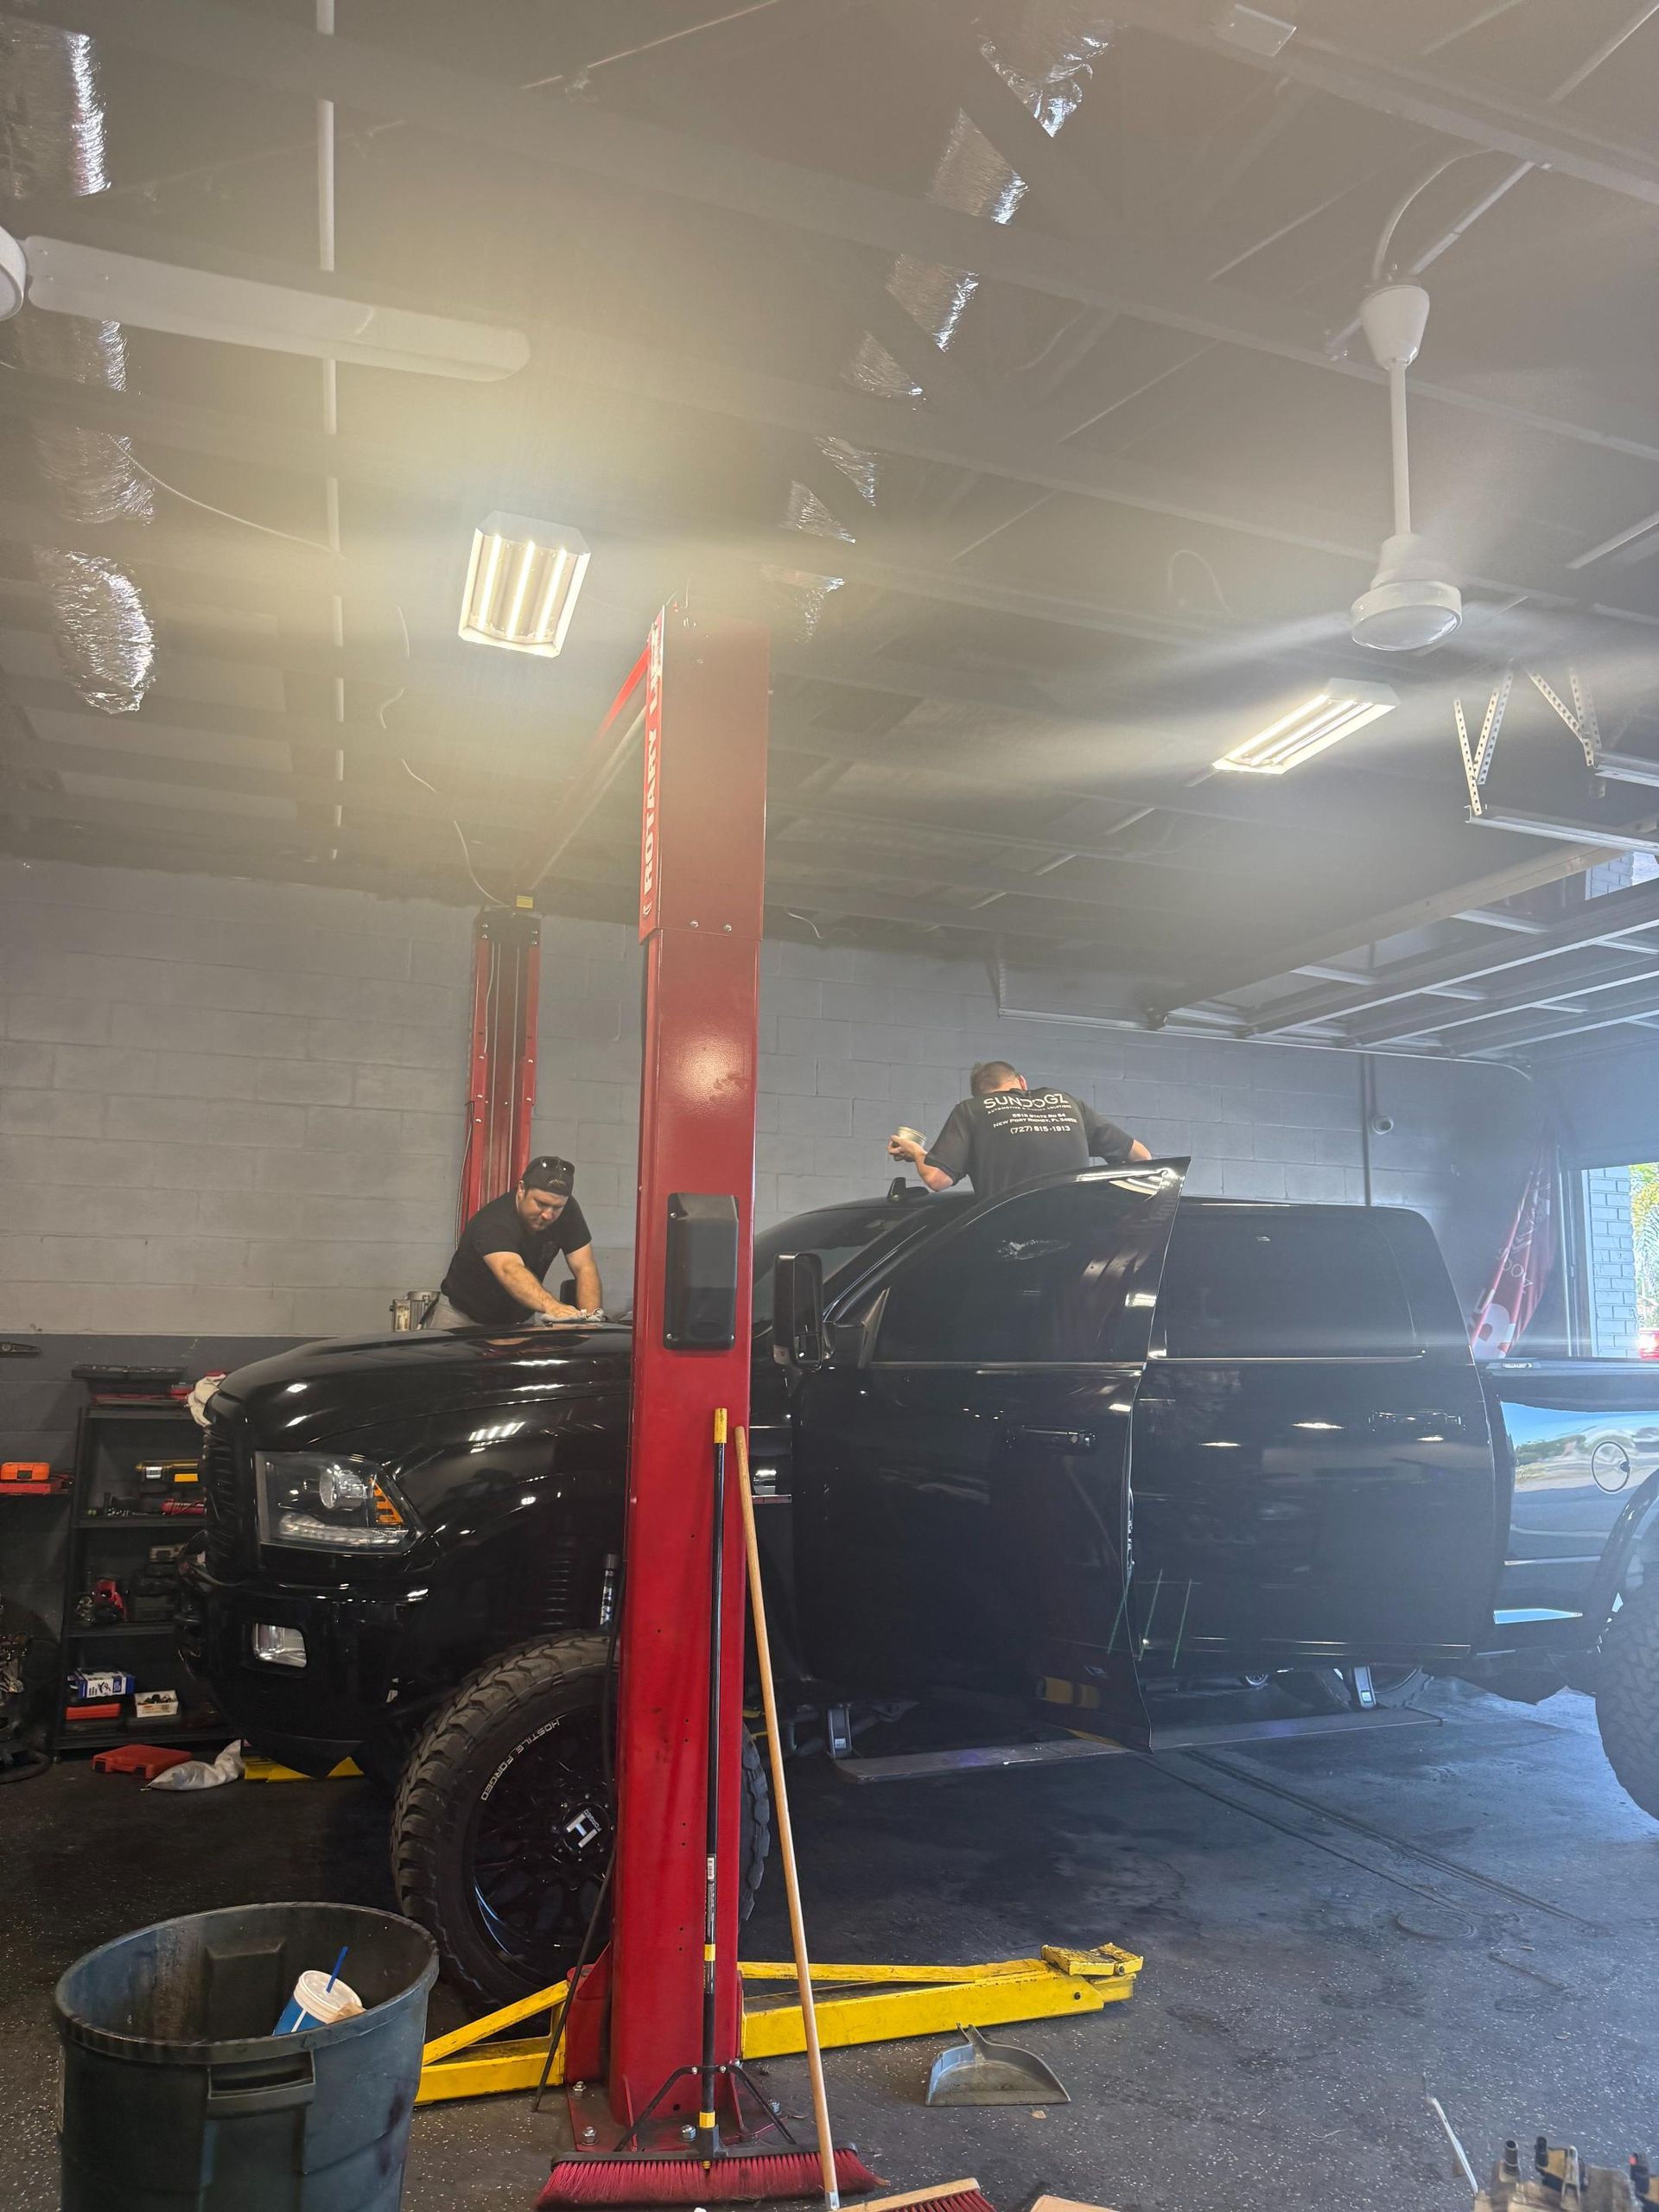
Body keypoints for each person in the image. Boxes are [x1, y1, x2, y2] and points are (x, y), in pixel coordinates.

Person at [888, 1061, 1150, 1200]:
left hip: (1011, 1245)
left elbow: (937, 1178)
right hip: (1076, 1242)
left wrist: (917, 1153)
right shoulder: (1068, 1102)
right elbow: (1140, 1156)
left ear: (980, 1094)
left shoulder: (973, 1109)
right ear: (1022, 1082)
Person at [428, 1155, 603, 1329]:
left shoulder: (569, 1212)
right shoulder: (494, 1220)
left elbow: (585, 1267)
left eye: (557, 1207)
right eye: (541, 1203)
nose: (548, 1215)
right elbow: (510, 1270)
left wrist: (590, 1320)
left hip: (518, 1319)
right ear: (521, 1190)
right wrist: (554, 1307)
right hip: (461, 1317)